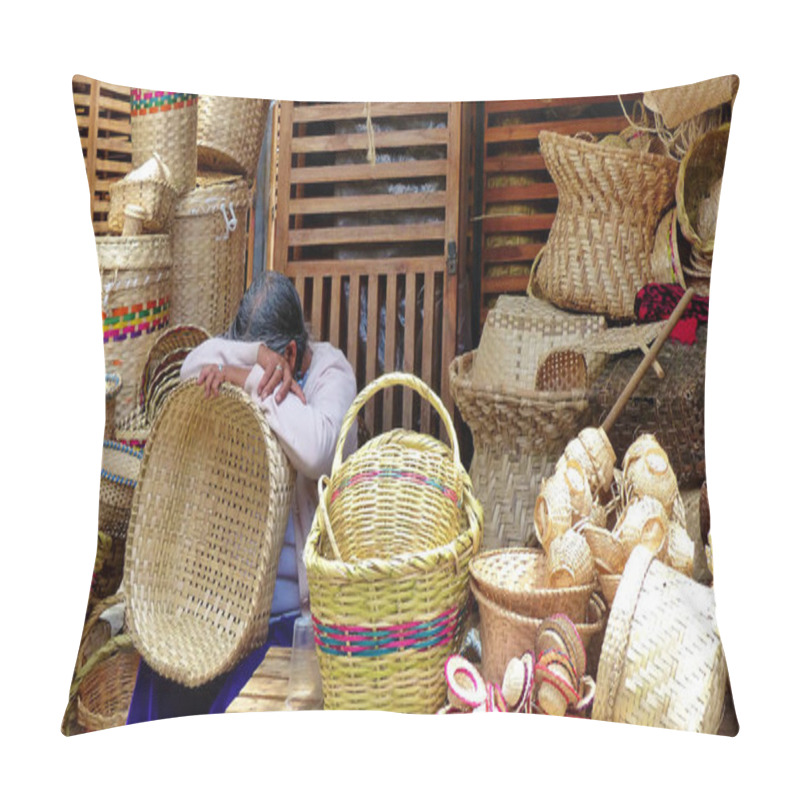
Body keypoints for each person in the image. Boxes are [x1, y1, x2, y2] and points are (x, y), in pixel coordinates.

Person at [126, 271, 358, 722]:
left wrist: (243, 378)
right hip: (222, 607)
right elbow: (192, 365)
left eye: (272, 359)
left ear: (293, 352)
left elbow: (315, 450)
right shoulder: (259, 356)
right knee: (158, 684)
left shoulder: (332, 375)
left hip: (289, 620)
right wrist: (255, 358)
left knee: (224, 715)